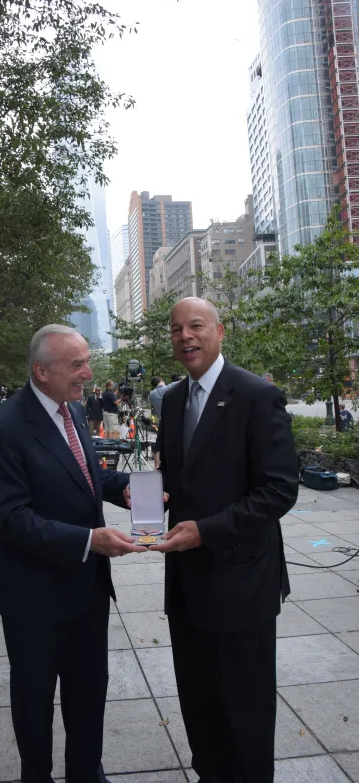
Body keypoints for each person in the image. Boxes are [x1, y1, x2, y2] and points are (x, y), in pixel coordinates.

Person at [0, 324, 147, 783]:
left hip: (87, 589)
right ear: (41, 370)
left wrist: (126, 488)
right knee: (34, 697)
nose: (88, 373)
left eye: (86, 361)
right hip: (34, 595)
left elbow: (80, 475)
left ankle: (86, 771)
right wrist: (90, 541)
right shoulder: (3, 427)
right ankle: (37, 774)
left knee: (89, 690)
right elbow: (12, 517)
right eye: (77, 365)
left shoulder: (69, 410)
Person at [150, 297, 298, 783]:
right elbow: (176, 479)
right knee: (199, 705)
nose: (185, 337)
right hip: (186, 586)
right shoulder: (171, 400)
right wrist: (150, 502)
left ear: (220, 331)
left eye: (196, 326)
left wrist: (207, 531)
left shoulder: (256, 395)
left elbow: (279, 489)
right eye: (176, 329)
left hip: (241, 585)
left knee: (245, 712)